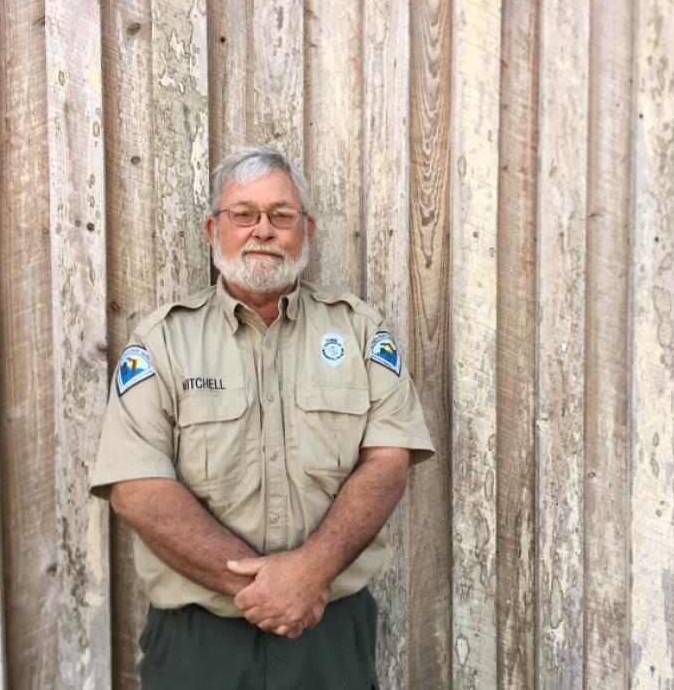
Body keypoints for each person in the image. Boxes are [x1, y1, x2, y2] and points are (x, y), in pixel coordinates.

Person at [90, 145, 434, 689]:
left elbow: (388, 463)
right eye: (243, 214)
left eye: (282, 215)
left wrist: (309, 572)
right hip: (199, 645)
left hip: (328, 637)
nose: (263, 231)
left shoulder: (362, 333)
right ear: (213, 229)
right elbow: (136, 487)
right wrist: (267, 589)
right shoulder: (162, 342)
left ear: (307, 230)